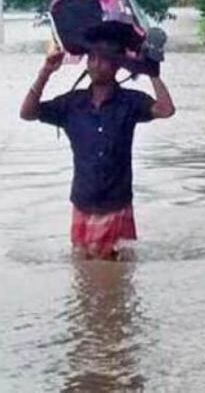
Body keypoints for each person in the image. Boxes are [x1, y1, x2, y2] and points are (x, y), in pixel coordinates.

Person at [19, 32, 176, 260]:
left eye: (103, 59)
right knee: (83, 277)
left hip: (118, 206)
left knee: (120, 276)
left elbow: (166, 109)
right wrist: (46, 71)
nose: (95, 64)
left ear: (116, 66)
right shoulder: (71, 104)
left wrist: (151, 71)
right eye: (91, 58)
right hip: (83, 203)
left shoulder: (130, 102)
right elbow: (27, 113)